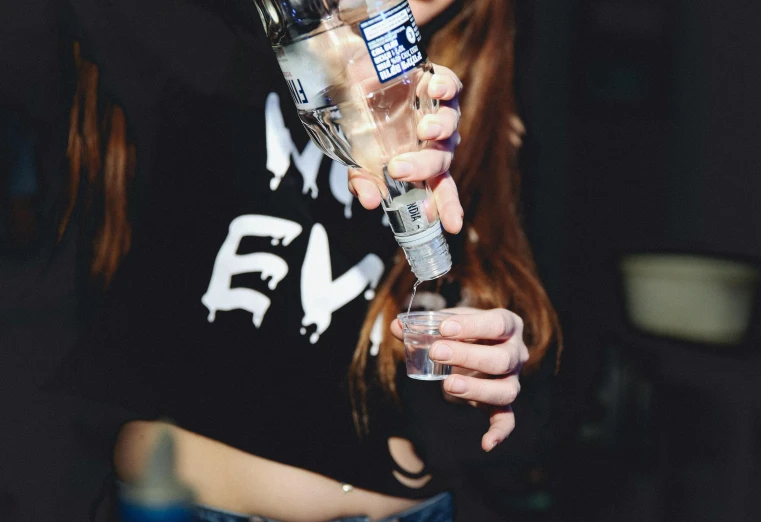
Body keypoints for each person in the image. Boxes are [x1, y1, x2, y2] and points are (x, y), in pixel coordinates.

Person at [48, 0, 561, 520]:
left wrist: (491, 362)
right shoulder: (210, 44)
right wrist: (318, 23)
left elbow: (524, 382)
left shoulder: (486, 105)